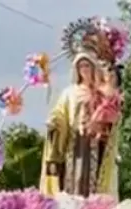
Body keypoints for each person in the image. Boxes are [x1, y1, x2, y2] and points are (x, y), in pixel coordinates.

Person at [41, 22, 124, 198]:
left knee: (92, 180)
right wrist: (55, 123)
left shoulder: (101, 92)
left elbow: (112, 115)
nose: (84, 70)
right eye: (81, 66)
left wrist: (100, 122)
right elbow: (60, 114)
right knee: (74, 179)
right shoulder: (69, 93)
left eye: (87, 65)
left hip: (94, 143)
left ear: (94, 68)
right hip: (73, 143)